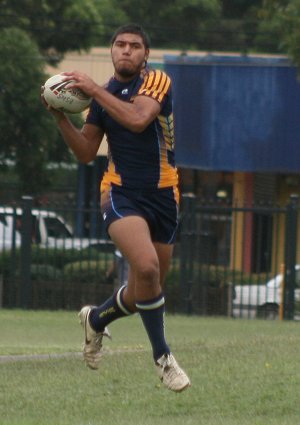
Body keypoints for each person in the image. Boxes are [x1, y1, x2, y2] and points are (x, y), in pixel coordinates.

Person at [41, 23, 190, 392]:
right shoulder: (103, 97)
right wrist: (61, 116)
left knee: (146, 290)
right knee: (147, 267)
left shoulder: (156, 82)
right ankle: (163, 358)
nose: (126, 50)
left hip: (164, 195)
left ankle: (96, 318)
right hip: (120, 194)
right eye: (120, 44)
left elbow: (139, 119)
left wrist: (92, 90)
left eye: (134, 46)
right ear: (111, 51)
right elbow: (86, 152)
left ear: (145, 55)